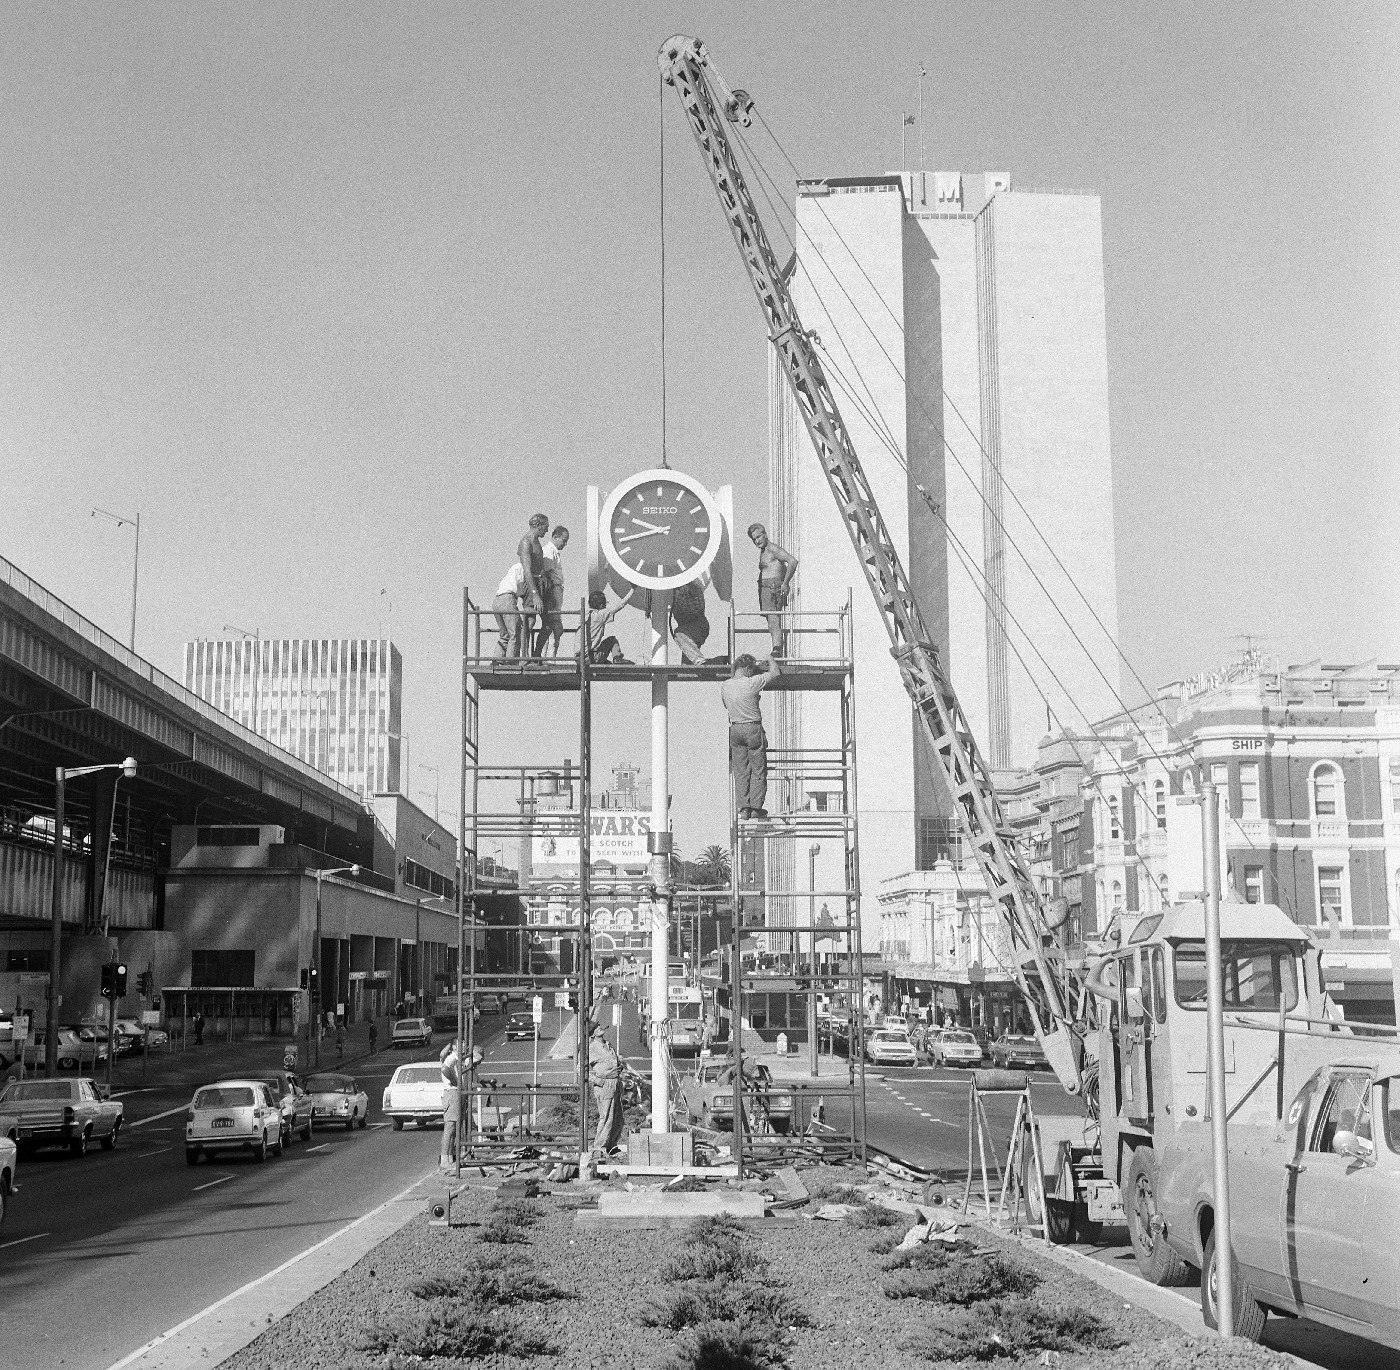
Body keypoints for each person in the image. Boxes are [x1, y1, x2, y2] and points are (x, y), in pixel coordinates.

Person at [721, 653, 781, 819]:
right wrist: (770, 659)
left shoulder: (726, 685)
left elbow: (726, 704)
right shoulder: (752, 682)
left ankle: (744, 808)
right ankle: (755, 807)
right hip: (752, 727)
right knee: (758, 769)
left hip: (735, 729)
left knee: (740, 771)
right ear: (748, 668)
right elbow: (775, 673)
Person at [747, 523, 798, 656]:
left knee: (773, 619)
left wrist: (785, 583)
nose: (757, 541)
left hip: (772, 588)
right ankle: (776, 647)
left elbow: (792, 561)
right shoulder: (764, 551)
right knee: (771, 620)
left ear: (765, 534)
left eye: (759, 537)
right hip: (766, 589)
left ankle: (777, 649)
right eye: (754, 539)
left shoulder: (772, 549)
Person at [588, 1018, 625, 1156]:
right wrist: (598, 1080)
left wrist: (619, 1067)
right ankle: (599, 1147)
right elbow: (581, 1068)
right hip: (604, 1085)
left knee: (618, 1118)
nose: (600, 1028)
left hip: (615, 1083)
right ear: (592, 1033)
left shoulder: (608, 1044)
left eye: (599, 1026)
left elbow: (614, 1062)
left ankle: (612, 1145)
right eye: (596, 1028)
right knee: (607, 1117)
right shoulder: (592, 1048)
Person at [532, 525, 570, 657]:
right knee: (554, 626)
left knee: (554, 626)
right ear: (555, 537)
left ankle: (547, 656)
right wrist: (551, 595)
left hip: (556, 589)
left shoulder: (554, 552)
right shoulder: (548, 550)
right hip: (553, 589)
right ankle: (546, 656)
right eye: (563, 540)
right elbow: (546, 573)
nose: (565, 544)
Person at [582, 586, 634, 664]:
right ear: (601, 605)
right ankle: (617, 658)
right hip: (590, 657)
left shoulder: (584, 615)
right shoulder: (599, 615)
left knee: (607, 663)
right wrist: (633, 589)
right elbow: (621, 605)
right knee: (612, 640)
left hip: (579, 658)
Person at [670, 579, 713, 666]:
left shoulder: (692, 588)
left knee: (680, 634)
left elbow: (694, 611)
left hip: (697, 625)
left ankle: (700, 661)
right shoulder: (683, 590)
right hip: (690, 626)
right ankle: (697, 664)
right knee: (687, 665)